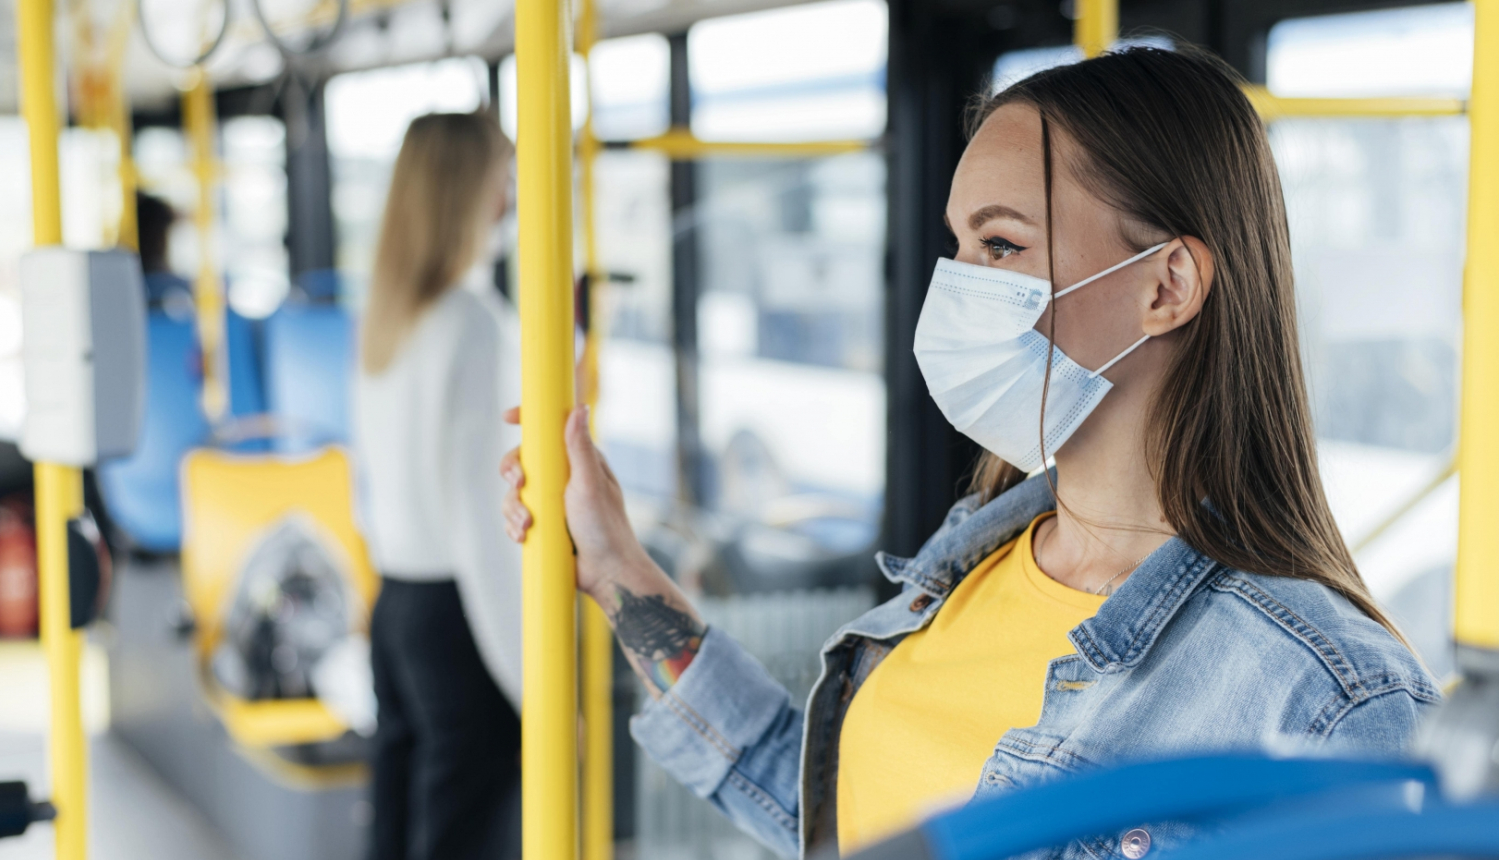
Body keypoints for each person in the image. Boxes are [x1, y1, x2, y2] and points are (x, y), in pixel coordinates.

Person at [502, 46, 1439, 859]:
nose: (956, 287)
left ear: (1167, 286)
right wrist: (620, 568)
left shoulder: (1330, 699)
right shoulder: (972, 561)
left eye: (1000, 245)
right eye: (959, 247)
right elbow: (842, 819)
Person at [354, 112, 522, 860]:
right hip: (457, 615)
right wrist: (530, 680)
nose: (514, 196)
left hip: (394, 603)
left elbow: (370, 488)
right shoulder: (474, 323)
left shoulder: (392, 317)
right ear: (471, 191)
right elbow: (476, 519)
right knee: (461, 830)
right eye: (504, 176)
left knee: (398, 810)